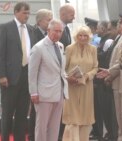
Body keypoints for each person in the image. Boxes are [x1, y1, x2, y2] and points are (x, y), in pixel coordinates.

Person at [0, 2, 35, 141]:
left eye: (29, 13)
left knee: (22, 114)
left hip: (27, 77)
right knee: (7, 113)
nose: (27, 16)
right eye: (24, 13)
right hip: (9, 79)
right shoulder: (5, 27)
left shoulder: (31, 29)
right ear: (16, 12)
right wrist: (1, 75)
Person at [28, 19, 69, 141]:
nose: (58, 34)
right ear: (48, 31)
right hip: (43, 94)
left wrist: (67, 77)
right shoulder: (38, 48)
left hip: (59, 92)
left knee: (55, 126)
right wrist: (33, 92)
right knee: (41, 126)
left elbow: (60, 70)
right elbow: (32, 72)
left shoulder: (61, 46)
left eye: (60, 31)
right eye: (55, 31)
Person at [62, 25, 98, 141]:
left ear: (89, 37)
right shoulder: (69, 48)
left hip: (87, 86)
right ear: (76, 36)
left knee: (85, 116)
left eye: (85, 35)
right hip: (72, 86)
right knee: (72, 117)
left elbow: (95, 67)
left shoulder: (93, 49)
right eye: (80, 35)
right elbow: (63, 69)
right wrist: (69, 77)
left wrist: (87, 76)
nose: (82, 38)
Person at [28, 8, 52, 141]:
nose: (51, 22)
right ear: (40, 21)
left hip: (48, 80)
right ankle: (32, 136)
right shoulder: (32, 33)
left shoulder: (49, 35)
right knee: (35, 111)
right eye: (49, 20)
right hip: (36, 79)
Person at [58, 4, 75, 140]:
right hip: (58, 73)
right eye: (71, 15)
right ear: (63, 14)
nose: (74, 17)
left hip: (66, 73)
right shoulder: (58, 30)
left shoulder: (67, 30)